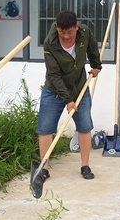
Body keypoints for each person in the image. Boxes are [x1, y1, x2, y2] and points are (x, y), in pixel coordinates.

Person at [36, 10, 102, 185]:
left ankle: (85, 166)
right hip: (54, 90)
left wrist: (96, 66)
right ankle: (44, 169)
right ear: (57, 27)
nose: (66, 36)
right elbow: (54, 75)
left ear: (76, 27)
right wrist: (68, 100)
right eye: (62, 32)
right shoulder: (50, 42)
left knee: (85, 126)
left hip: (79, 88)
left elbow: (93, 48)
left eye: (69, 32)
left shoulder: (85, 33)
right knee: (45, 128)